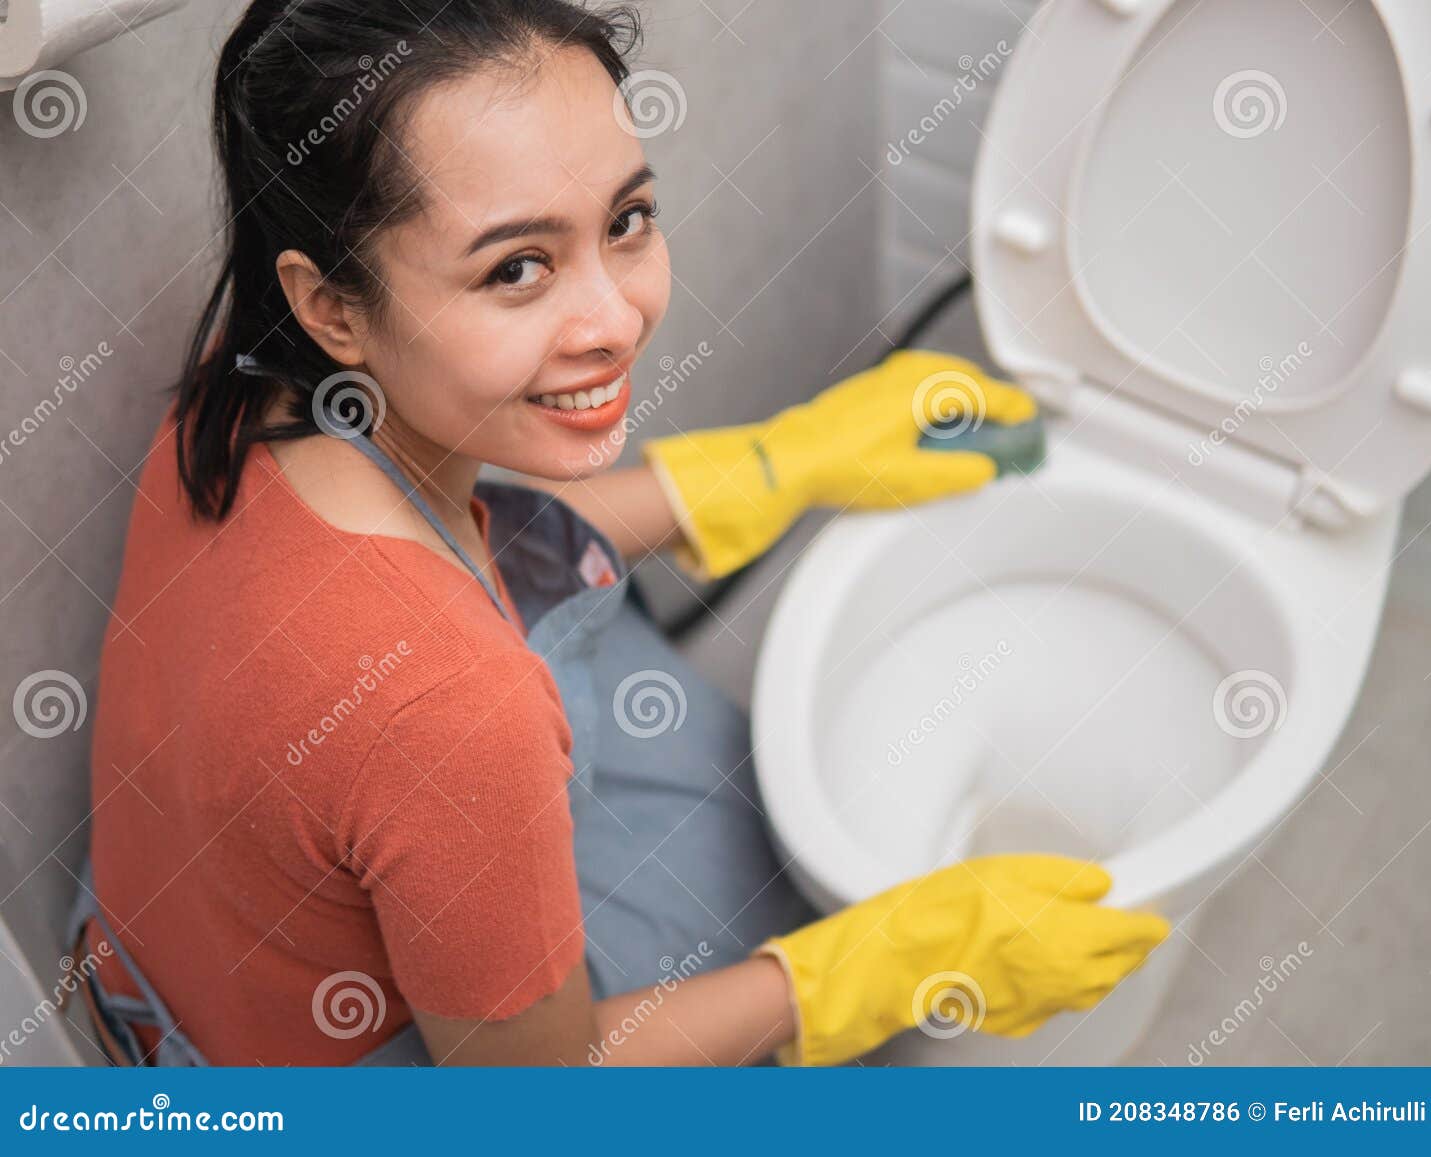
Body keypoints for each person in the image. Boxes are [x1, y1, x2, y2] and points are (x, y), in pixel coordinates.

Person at [77, 0, 1168, 1067]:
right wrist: (866, 966)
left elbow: (435, 569)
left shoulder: (247, 389)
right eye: (516, 267)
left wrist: (767, 468)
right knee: (762, 849)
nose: (613, 320)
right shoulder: (456, 714)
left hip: (183, 961)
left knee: (660, 703)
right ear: (335, 307)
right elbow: (533, 1097)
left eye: (625, 220)